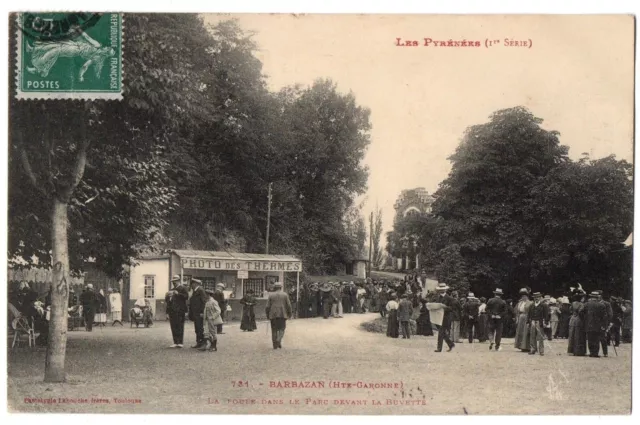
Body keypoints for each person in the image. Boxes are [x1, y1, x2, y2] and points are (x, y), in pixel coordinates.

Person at [265, 281, 293, 349]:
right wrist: (290, 313)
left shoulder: (271, 295)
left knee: (274, 329)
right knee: (282, 329)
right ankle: (278, 340)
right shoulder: (285, 295)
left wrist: (267, 314)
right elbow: (289, 305)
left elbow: (267, 306)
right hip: (282, 314)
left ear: (274, 288)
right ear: (281, 287)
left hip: (273, 315)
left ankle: (275, 344)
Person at [583, 291, 608, 358]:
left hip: (588, 324)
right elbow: (604, 317)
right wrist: (604, 325)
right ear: (597, 297)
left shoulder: (586, 304)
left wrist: (585, 319)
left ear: (591, 297)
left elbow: (581, 312)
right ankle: (595, 353)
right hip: (598, 325)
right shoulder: (601, 305)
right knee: (596, 339)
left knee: (590, 339)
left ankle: (591, 352)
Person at [166, 275, 189, 347]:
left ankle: (180, 342)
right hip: (172, 310)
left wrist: (178, 294)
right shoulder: (172, 289)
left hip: (180, 310)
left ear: (178, 281)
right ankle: (175, 342)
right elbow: (168, 302)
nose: (173, 283)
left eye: (175, 281)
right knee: (173, 326)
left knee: (180, 326)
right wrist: (167, 296)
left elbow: (186, 297)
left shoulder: (183, 288)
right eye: (173, 282)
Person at [434, 283, 455, 352]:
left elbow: (452, 308)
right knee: (442, 332)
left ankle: (439, 348)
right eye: (440, 289)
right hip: (439, 316)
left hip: (446, 317)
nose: (441, 291)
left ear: (445, 289)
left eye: (442, 289)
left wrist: (445, 307)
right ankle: (450, 344)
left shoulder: (449, 298)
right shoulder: (438, 297)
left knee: (441, 332)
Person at [188, 278, 208, 349]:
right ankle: (199, 342)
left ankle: (203, 343)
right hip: (196, 313)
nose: (191, 285)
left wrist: (203, 312)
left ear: (195, 284)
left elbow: (204, 302)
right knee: (197, 328)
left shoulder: (200, 290)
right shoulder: (195, 291)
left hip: (199, 313)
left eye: (192, 284)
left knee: (200, 329)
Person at [567, 291, 587, 356]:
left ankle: (570, 351)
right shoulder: (581, 304)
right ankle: (578, 351)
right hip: (579, 320)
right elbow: (581, 312)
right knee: (578, 336)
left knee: (571, 335)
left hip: (572, 319)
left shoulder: (572, 303)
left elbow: (570, 310)